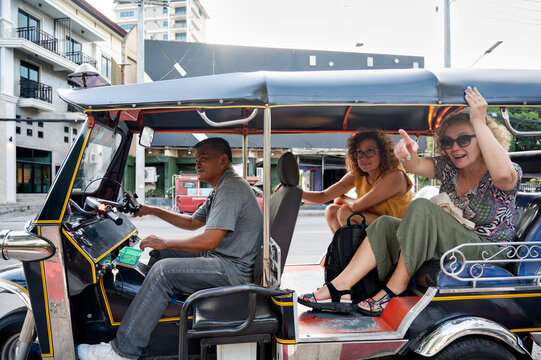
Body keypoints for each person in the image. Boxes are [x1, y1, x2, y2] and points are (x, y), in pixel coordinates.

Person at [299, 87, 522, 316]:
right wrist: (406, 153)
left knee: (423, 207)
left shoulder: (505, 171)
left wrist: (479, 121)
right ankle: (340, 287)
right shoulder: (449, 169)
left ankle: (395, 288)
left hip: (486, 250)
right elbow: (415, 165)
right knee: (385, 224)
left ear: (483, 137)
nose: (455, 147)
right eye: (448, 142)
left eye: (464, 139)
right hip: (453, 242)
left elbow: (504, 177)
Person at [78, 137, 263, 360]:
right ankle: (149, 316)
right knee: (161, 255)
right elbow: (193, 222)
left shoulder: (231, 189)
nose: (197, 165)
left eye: (203, 159)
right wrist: (152, 210)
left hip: (232, 269)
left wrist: (166, 241)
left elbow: (209, 241)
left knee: (163, 272)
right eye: (196, 160)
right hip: (222, 259)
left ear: (223, 160)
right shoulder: (221, 187)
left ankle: (123, 350)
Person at [302, 130, 412, 232]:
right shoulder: (358, 175)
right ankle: (341, 249)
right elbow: (323, 196)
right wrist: (295, 192)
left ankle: (352, 252)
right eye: (359, 152)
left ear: (383, 153)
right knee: (331, 211)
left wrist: (342, 197)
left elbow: (356, 206)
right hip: (377, 223)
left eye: (370, 151)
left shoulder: (395, 176)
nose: (364, 158)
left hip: (399, 229)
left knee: (345, 213)